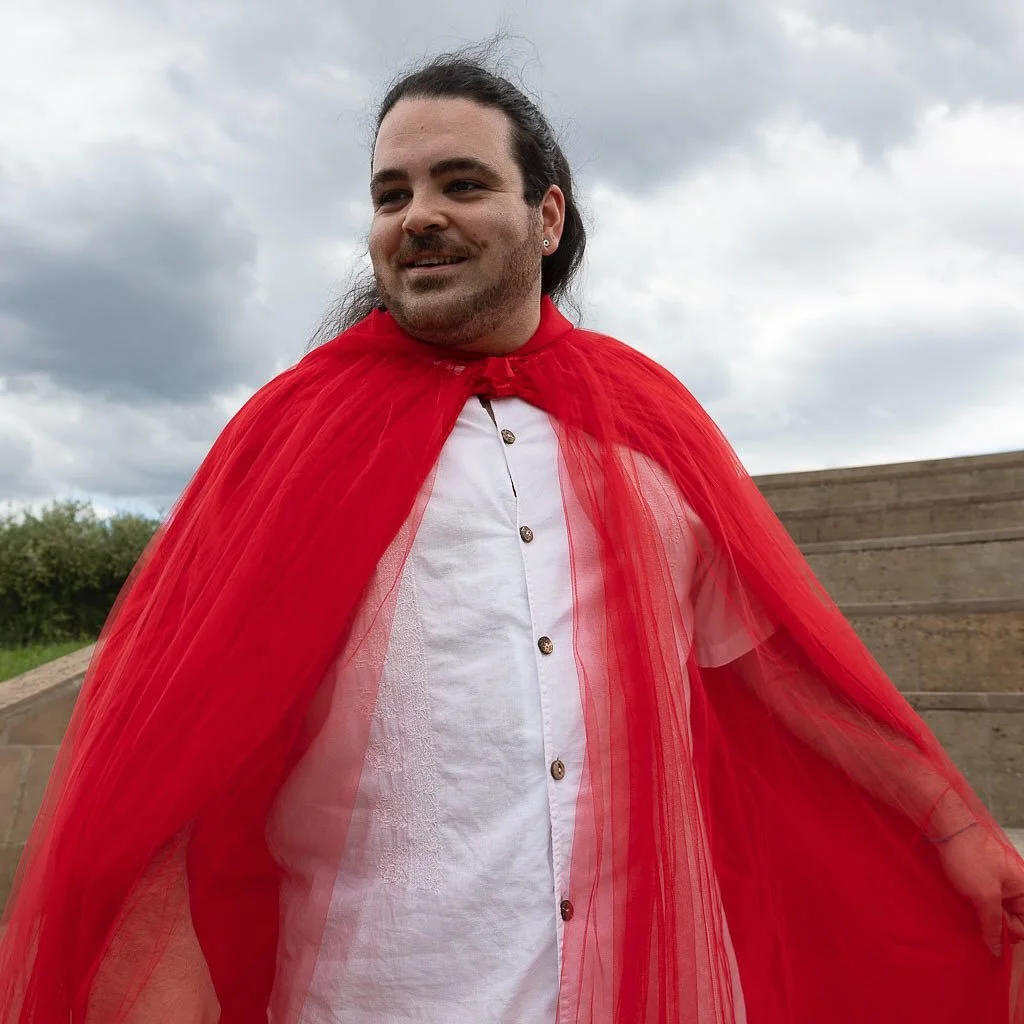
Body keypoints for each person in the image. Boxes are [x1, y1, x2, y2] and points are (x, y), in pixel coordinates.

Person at [2, 47, 1023, 1024]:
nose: (420, 216)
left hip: (649, 981)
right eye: (391, 194)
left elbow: (772, 669)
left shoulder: (651, 425)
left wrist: (945, 823)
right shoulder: (291, 438)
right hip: (380, 992)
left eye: (459, 182)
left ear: (546, 215)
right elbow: (169, 761)